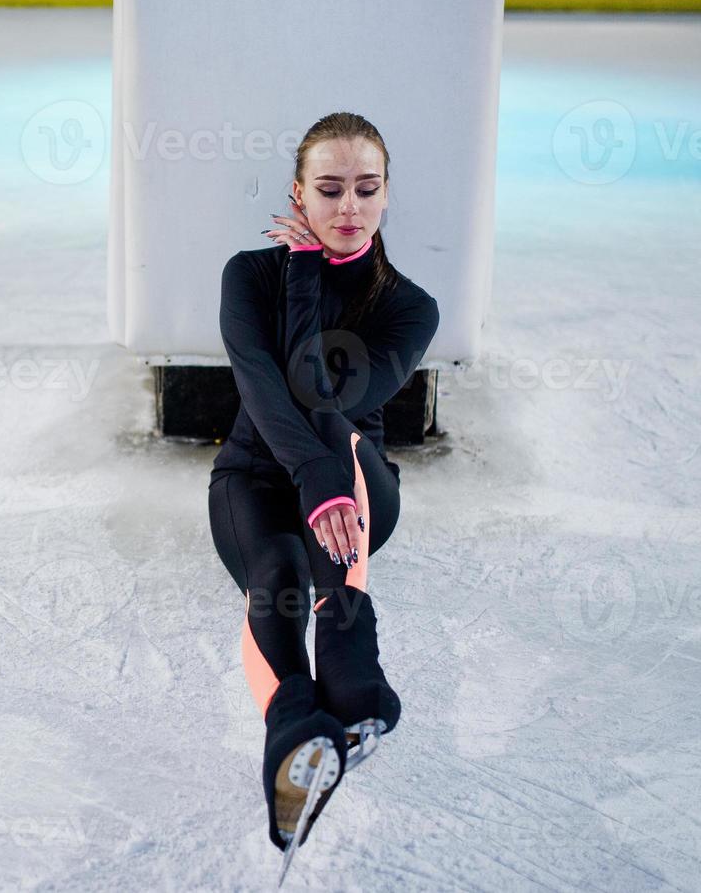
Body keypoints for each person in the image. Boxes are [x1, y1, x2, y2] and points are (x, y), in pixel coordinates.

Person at [206, 111, 440, 851]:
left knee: (333, 517)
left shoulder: (408, 307)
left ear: (385, 194)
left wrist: (326, 478)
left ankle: (358, 699)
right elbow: (263, 386)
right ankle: (298, 734)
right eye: (330, 189)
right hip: (254, 473)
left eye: (365, 189)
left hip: (356, 474)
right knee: (273, 573)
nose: (348, 208)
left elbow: (322, 391)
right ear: (297, 194)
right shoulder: (249, 273)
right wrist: (300, 273)